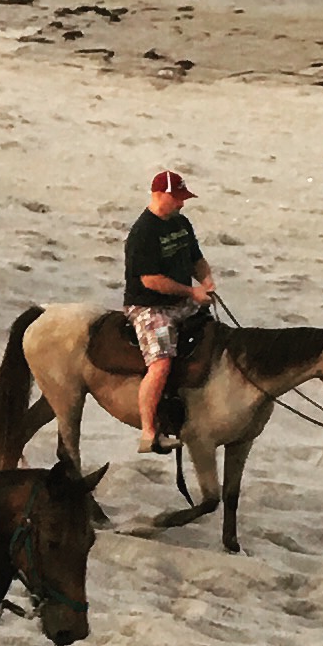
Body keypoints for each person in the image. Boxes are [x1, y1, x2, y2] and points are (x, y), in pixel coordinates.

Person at [123, 168, 217, 454]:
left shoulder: (181, 224)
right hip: (149, 306)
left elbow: (195, 258)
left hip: (182, 301)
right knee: (161, 362)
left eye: (183, 198)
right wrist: (192, 292)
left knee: (215, 338)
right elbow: (150, 280)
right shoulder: (143, 232)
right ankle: (149, 432)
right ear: (159, 194)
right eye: (176, 197)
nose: (181, 203)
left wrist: (207, 281)